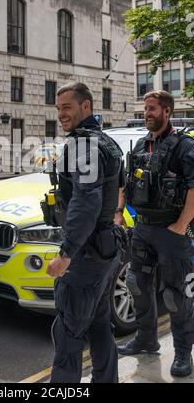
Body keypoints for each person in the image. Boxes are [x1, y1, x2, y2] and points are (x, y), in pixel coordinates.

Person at [46, 82, 124, 383]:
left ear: (86, 105)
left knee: (67, 334)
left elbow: (86, 201)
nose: (61, 114)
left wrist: (67, 254)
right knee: (99, 325)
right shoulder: (106, 141)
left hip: (86, 256)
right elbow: (116, 191)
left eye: (67, 107)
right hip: (105, 250)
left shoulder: (83, 145)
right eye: (58, 108)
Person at [118, 90, 194, 377]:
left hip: (172, 231)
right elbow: (125, 183)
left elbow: (193, 188)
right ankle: (146, 339)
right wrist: (119, 212)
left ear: (167, 111)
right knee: (137, 283)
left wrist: (182, 224)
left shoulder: (184, 146)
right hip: (143, 227)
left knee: (176, 295)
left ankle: (184, 351)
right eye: (145, 109)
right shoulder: (140, 145)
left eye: (152, 109)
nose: (147, 113)